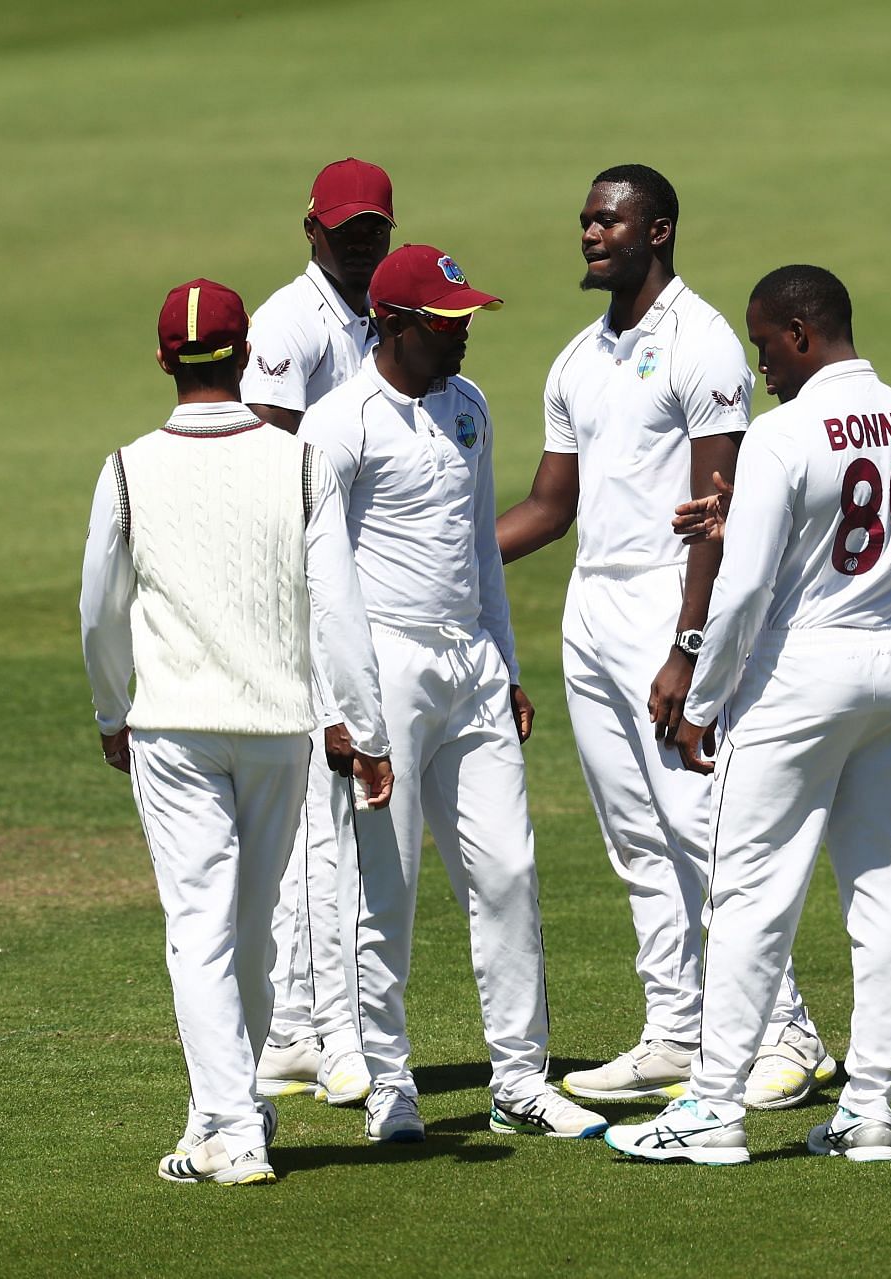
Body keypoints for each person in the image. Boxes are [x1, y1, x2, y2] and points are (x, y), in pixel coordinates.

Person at [496, 165, 832, 1110]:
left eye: (609, 221)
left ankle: (787, 1031)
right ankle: (677, 1029)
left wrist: (690, 645)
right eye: (585, 221)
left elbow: (715, 514)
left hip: (666, 603)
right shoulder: (575, 358)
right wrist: (440, 558)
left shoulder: (705, 343)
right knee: (636, 838)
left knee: (700, 827)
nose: (591, 235)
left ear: (660, 229)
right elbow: (549, 508)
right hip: (590, 607)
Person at [604, 264, 891, 1165]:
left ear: (801, 331)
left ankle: (714, 1110)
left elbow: (750, 584)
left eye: (766, 345)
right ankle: (870, 1107)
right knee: (884, 894)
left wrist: (702, 695)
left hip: (803, 671)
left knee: (751, 891)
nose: (762, 366)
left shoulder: (786, 431)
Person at [80, 279, 392, 1184]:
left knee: (203, 927)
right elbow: (340, 609)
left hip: (174, 726)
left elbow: (100, 611)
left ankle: (230, 1126)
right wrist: (362, 728)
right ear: (246, 347)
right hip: (275, 726)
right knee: (248, 928)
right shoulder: (298, 461)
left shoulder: (129, 465)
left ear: (163, 358)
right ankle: (226, 1111)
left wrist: (112, 709)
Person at [299, 244, 608, 1143]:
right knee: (384, 892)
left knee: (509, 870)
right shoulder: (337, 424)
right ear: (392, 325)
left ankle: (521, 1078)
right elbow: (324, 586)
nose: (463, 334)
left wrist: (506, 665)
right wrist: (346, 711)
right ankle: (391, 1087)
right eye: (446, 322)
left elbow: (479, 553)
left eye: (466, 317)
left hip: (470, 663)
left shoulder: (468, 407)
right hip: (383, 670)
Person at [241, 158, 397, 1105]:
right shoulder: (290, 323)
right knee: (319, 817)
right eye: (344, 229)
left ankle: (298, 1025)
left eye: (373, 226)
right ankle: (307, 1025)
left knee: (327, 816)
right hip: (309, 595)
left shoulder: (384, 313)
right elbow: (267, 463)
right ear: (310, 228)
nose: (360, 241)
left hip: (359, 592)